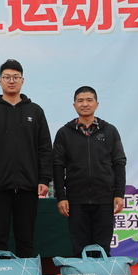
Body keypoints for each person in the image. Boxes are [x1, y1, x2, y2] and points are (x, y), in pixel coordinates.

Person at [0, 59, 53, 268]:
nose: (12, 81)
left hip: (28, 185)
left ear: (22, 81)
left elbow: (45, 148)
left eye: (16, 77)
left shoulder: (35, 111)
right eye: (7, 77)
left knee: (26, 238)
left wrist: (44, 178)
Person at [53, 86, 126, 257]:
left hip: (104, 197)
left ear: (96, 104)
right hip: (76, 199)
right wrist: (61, 197)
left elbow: (119, 163)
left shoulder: (110, 131)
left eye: (89, 100)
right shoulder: (64, 133)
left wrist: (119, 194)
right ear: (74, 105)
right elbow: (57, 166)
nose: (84, 104)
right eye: (80, 101)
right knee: (79, 249)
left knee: (102, 248)